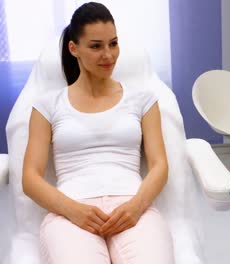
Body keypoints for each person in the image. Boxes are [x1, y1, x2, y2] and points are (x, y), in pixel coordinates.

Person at [22, 2, 174, 263]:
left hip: (131, 206)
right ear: (74, 49)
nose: (109, 55)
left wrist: (136, 207)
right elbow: (30, 178)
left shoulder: (143, 99)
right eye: (96, 46)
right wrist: (74, 211)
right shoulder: (47, 105)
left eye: (113, 44)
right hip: (70, 211)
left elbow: (160, 164)